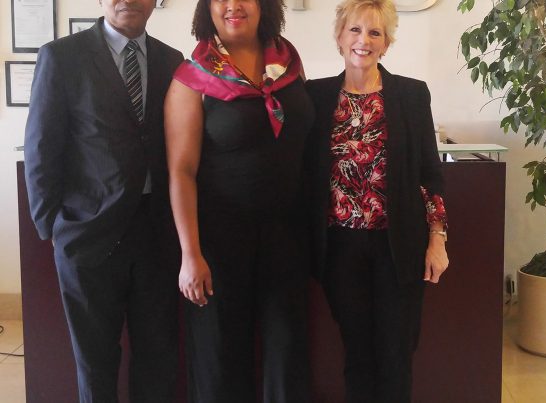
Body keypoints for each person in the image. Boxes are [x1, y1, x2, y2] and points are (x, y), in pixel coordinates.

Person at [24, 1, 183, 401]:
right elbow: (43, 145)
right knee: (95, 362)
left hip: (155, 235)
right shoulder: (62, 57)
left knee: (157, 356)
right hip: (88, 235)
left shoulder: (172, 60)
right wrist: (54, 229)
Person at [164, 0, 313, 402]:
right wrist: (190, 254)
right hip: (218, 245)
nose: (233, 5)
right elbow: (180, 172)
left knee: (288, 362)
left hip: (286, 241)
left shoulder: (288, 65)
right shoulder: (191, 79)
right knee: (221, 367)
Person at [305, 0, 449, 401]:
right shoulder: (314, 97)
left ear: (386, 44)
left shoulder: (411, 95)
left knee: (396, 353)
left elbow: (429, 174)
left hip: (397, 246)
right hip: (340, 249)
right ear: (339, 37)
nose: (363, 41)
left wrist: (437, 238)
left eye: (374, 33)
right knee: (357, 353)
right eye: (355, 30)